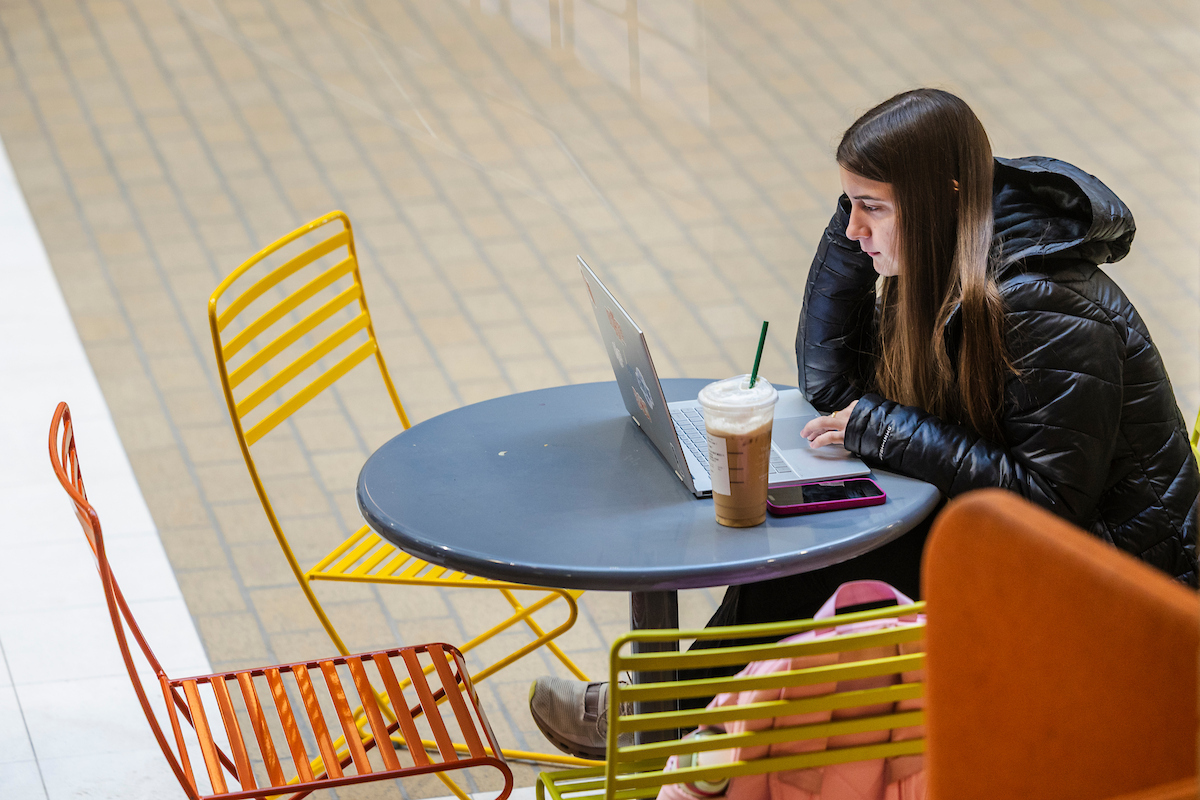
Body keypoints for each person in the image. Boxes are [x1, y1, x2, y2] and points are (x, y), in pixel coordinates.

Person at [529, 88, 1199, 760]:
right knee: (811, 537)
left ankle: (666, 720)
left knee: (825, 559)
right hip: (1017, 544)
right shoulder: (940, 263)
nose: (855, 229)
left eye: (872, 208)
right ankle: (680, 721)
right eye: (847, 206)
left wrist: (886, 432)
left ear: (943, 201)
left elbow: (1050, 507)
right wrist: (853, 235)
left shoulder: (1046, 306)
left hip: (1125, 595)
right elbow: (832, 387)